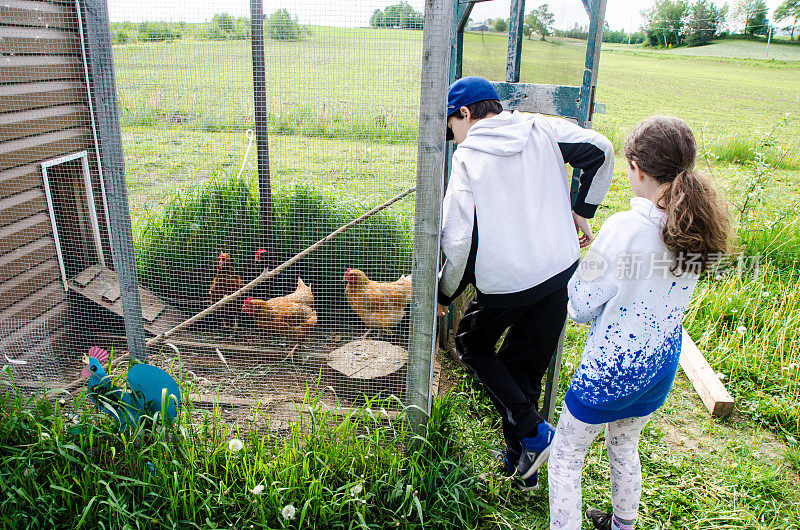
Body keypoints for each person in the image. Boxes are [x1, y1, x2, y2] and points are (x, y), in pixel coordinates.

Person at [546, 116, 732, 529]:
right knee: (625, 442)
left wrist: (586, 261)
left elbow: (579, 305)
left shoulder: (625, 229)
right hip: (659, 363)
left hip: (610, 372)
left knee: (566, 456)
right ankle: (622, 525)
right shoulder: (693, 226)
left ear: (638, 169)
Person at [436, 76, 615, 488]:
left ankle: (535, 435)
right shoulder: (540, 128)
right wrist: (581, 208)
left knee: (471, 344)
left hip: (507, 284)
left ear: (465, 113)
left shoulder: (467, 160)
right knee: (523, 368)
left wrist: (446, 293)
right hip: (559, 271)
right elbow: (601, 151)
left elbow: (459, 242)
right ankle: (524, 464)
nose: (454, 139)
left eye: (451, 128)